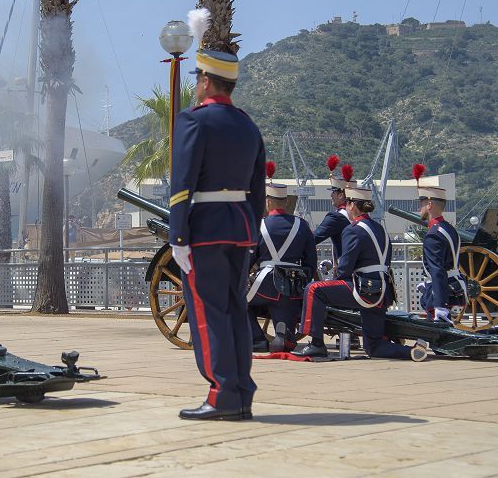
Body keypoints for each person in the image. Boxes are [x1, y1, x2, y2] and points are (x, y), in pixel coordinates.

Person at [168, 47, 266, 421]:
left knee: (209, 315)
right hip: (240, 228)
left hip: (205, 229)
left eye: (197, 78)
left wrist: (178, 237)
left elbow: (182, 185)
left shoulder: (194, 121)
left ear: (206, 80)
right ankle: (242, 392)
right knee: (235, 311)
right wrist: (252, 231)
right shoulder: (247, 125)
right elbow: (257, 189)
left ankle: (222, 392)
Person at [297, 182, 413, 360]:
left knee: (315, 290)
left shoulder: (352, 230)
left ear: (351, 204)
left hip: (364, 290)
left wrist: (332, 281)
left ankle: (316, 344)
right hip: (383, 291)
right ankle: (411, 352)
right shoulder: (380, 229)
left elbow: (345, 268)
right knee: (373, 347)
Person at [247, 183, 316, 353]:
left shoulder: (259, 225)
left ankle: (257, 339)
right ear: (285, 202)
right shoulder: (302, 225)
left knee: (234, 299)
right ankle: (284, 335)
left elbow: (248, 260)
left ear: (268, 202)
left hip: (265, 285)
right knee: (284, 336)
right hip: (292, 288)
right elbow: (311, 263)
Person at [415, 172, 466, 322]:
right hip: (452, 286)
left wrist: (440, 304)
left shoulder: (433, 234)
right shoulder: (448, 229)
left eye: (421, 204)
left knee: (438, 340)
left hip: (439, 293)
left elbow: (437, 270)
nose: (420, 209)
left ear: (429, 205)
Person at [313, 157, 354, 267]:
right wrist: (332, 262)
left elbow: (313, 239)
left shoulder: (336, 217)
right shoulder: (358, 217)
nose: (331, 195)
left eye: (333, 192)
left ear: (341, 195)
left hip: (346, 274)